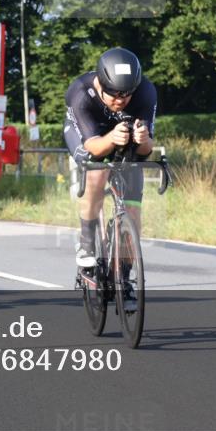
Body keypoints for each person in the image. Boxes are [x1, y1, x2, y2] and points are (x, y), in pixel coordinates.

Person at [63, 48, 157, 272]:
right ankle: (86, 242)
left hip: (123, 137)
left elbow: (145, 151)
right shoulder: (81, 92)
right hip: (88, 137)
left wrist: (143, 138)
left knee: (133, 211)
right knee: (96, 172)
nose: (121, 100)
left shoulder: (145, 91)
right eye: (114, 94)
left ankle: (124, 279)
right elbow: (93, 147)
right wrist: (112, 138)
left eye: (126, 94)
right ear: (101, 85)